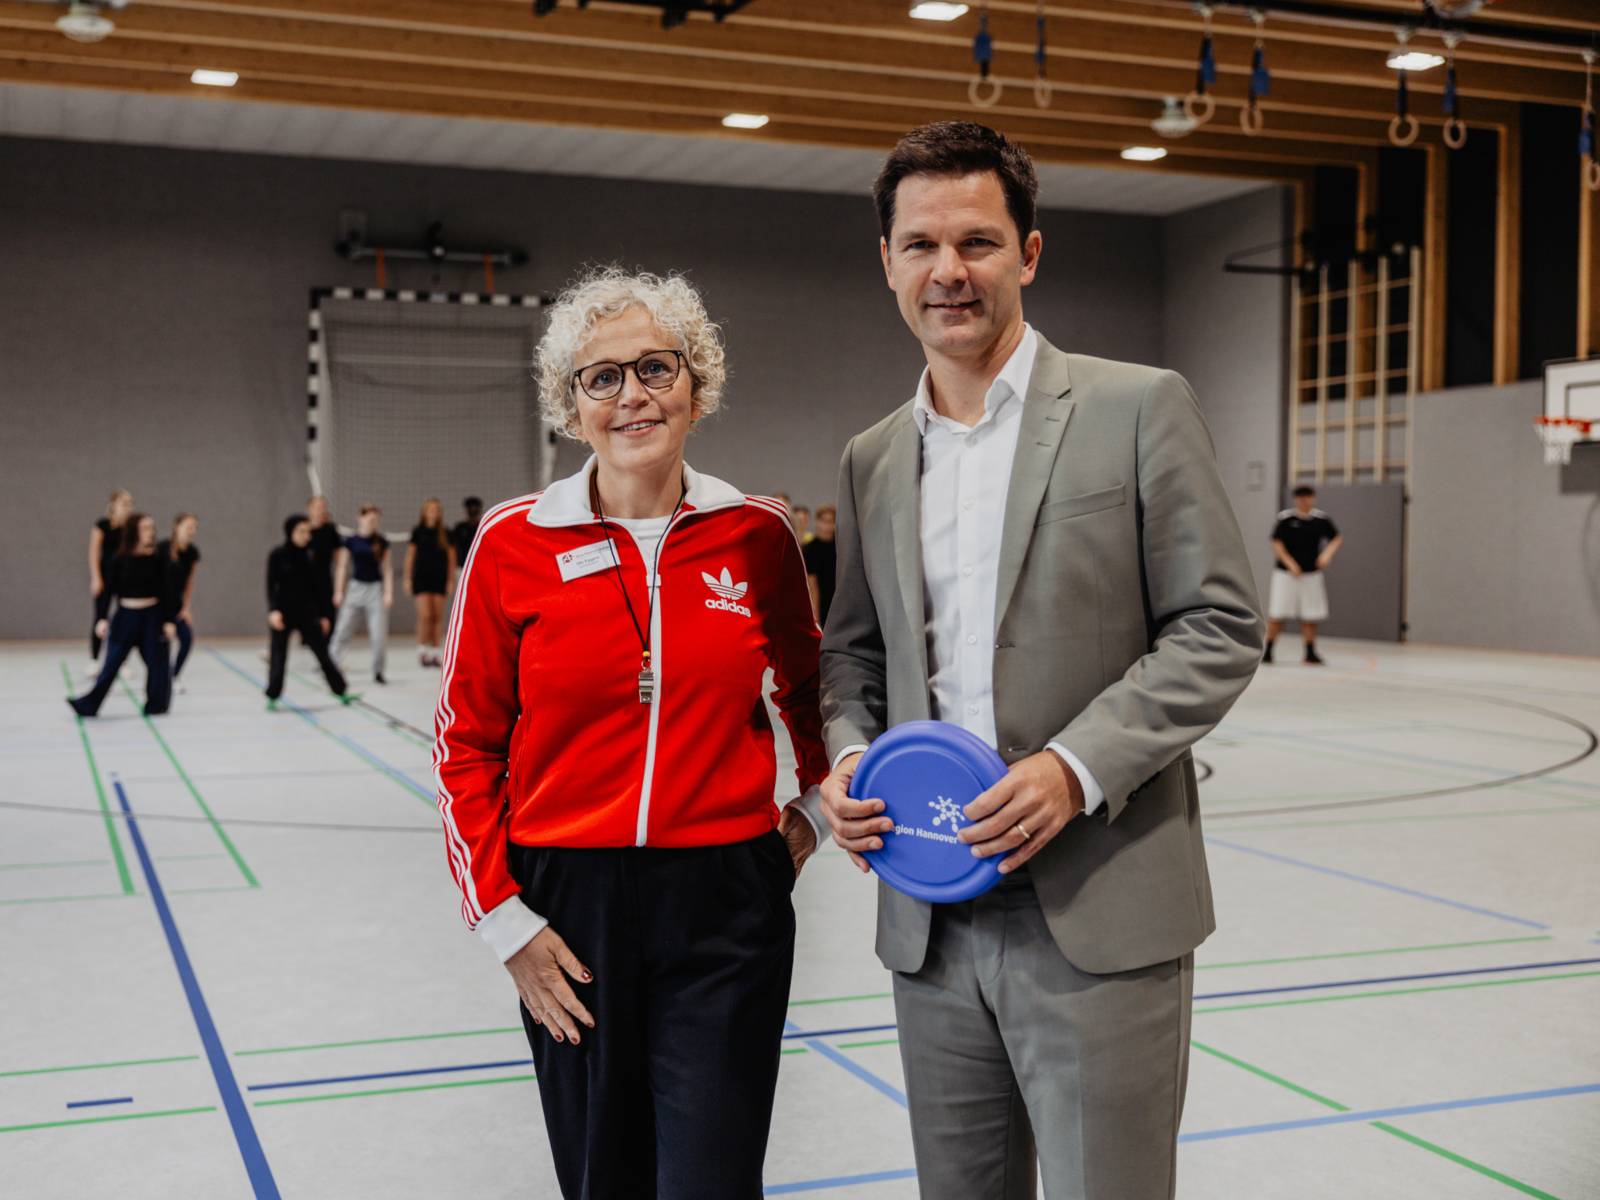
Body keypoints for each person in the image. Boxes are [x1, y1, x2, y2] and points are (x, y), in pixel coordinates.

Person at [817, 122, 1264, 1200]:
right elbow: (849, 654)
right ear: (886, 262)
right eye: (919, 246)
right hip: (931, 913)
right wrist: (843, 760)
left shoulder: (1137, 406)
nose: (948, 271)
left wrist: (1072, 769)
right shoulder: (872, 457)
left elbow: (1217, 625)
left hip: (1098, 907)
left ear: (1028, 252)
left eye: (976, 241)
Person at [434, 267, 828, 1200]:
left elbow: (817, 694)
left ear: (698, 386)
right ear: (571, 407)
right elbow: (464, 743)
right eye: (601, 377)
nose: (632, 395)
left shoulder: (756, 532)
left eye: (656, 367)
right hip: (567, 911)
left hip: (726, 898)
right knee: (603, 1178)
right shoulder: (511, 541)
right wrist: (503, 920)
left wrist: (809, 813)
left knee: (714, 1178)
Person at [69, 512, 177, 717]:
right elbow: (108, 591)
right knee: (111, 663)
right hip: (126, 617)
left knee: (158, 663)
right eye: (145, 528)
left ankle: (156, 704)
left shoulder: (159, 559)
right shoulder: (119, 559)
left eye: (152, 528)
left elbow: (167, 591)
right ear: (134, 531)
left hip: (152, 617)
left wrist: (169, 621)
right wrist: (101, 618)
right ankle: (89, 704)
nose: (150, 532)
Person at [265, 515, 353, 710]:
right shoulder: (277, 555)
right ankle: (272, 695)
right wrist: (273, 611)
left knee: (324, 655)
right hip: (283, 613)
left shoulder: (311, 556)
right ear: (291, 532)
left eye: (308, 532)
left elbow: (318, 589)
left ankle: (341, 691)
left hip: (307, 614)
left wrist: (323, 615)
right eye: (301, 531)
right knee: (278, 656)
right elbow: (271, 586)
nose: (306, 536)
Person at [1266, 485, 1343, 666]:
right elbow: (1276, 542)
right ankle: (1268, 650)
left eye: (1307, 497)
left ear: (1313, 498)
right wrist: (1289, 563)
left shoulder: (1321, 519)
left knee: (1311, 613)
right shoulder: (1286, 519)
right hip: (1286, 574)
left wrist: (1326, 554)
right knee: (1278, 612)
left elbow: (1336, 538)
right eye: (1300, 498)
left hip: (1311, 574)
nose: (1304, 501)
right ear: (1295, 500)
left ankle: (1310, 651)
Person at [329, 504, 392, 684]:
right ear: (360, 518)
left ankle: (378, 671)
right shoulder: (351, 541)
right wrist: (338, 592)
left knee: (378, 634)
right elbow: (342, 567)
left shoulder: (382, 541)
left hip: (375, 589)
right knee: (342, 629)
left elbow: (387, 570)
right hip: (355, 588)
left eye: (375, 519)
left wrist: (388, 593)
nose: (372, 522)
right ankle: (331, 665)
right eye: (369, 518)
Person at [86, 489, 133, 672]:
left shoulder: (131, 526)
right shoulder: (102, 525)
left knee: (126, 619)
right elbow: (93, 553)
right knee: (100, 617)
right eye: (124, 502)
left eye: (130, 502)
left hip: (126, 578)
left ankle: (121, 660)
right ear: (114, 504)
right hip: (106, 576)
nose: (128, 506)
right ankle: (94, 659)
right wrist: (96, 577)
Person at [406, 497, 455, 668]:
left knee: (437, 616)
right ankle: (422, 650)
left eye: (437, 510)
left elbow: (451, 559)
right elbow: (410, 557)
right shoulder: (417, 531)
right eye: (431, 509)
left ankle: (435, 652)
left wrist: (450, 580)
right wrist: (407, 579)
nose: (434, 513)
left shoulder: (446, 533)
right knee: (425, 616)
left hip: (439, 579)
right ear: (425, 513)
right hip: (421, 579)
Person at [159, 513, 202, 691]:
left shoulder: (192, 553)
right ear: (177, 527)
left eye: (194, 528)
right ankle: (159, 677)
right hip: (160, 604)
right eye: (188, 526)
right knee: (160, 643)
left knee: (186, 638)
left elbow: (190, 582)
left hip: (177, 605)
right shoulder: (163, 548)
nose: (192, 531)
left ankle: (173, 676)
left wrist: (185, 607)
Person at [306, 494, 343, 616]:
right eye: (317, 507)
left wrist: (339, 589)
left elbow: (339, 563)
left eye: (323, 507)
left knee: (328, 618)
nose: (321, 510)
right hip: (305, 581)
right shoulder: (303, 529)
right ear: (309, 508)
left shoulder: (330, 530)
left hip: (325, 581)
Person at [803, 502, 837, 626]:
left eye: (831, 521)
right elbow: (812, 583)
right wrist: (815, 612)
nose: (827, 525)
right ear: (817, 522)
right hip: (821, 598)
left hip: (838, 597)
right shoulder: (810, 548)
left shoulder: (841, 546)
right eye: (824, 521)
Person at [451, 495, 484, 568]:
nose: (473, 510)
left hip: (479, 564)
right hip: (462, 565)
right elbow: (454, 548)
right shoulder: (459, 528)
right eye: (470, 508)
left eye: (475, 508)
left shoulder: (482, 527)